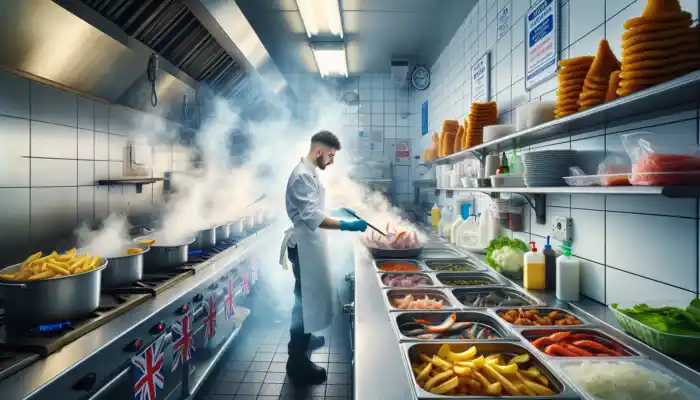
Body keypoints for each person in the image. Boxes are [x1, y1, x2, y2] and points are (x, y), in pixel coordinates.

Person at [279, 130, 367, 384]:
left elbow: (313, 208)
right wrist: (346, 225)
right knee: (304, 301)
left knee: (308, 297)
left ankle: (304, 337)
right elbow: (312, 217)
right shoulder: (301, 176)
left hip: (310, 245)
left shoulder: (309, 172)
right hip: (304, 246)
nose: (331, 161)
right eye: (330, 155)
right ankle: (296, 361)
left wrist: (337, 211)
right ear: (319, 151)